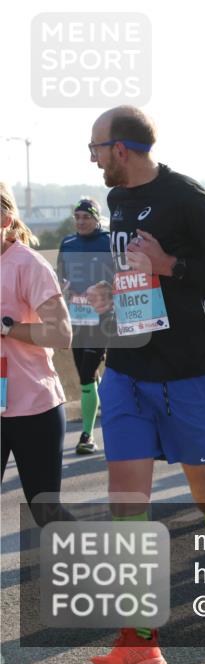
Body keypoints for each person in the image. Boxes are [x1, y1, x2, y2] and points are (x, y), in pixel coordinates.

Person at [85, 106, 205, 664]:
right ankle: (140, 641)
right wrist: (110, 294)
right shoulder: (116, 201)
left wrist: (171, 265)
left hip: (187, 370)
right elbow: (131, 272)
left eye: (95, 147)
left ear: (122, 148)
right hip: (128, 367)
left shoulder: (186, 196)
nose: (91, 158)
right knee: (125, 502)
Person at [1, 182, 75, 527]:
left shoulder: (27, 265)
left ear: (5, 218)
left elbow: (62, 333)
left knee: (45, 512)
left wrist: (7, 328)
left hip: (33, 406)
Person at [56, 197, 114, 454]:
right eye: (77, 217)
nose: (81, 222)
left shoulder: (109, 241)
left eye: (86, 217)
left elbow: (123, 274)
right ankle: (100, 406)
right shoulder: (67, 243)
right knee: (86, 377)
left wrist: (107, 290)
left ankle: (87, 436)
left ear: (97, 219)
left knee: (86, 377)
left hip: (103, 320)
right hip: (76, 319)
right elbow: (60, 278)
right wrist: (63, 289)